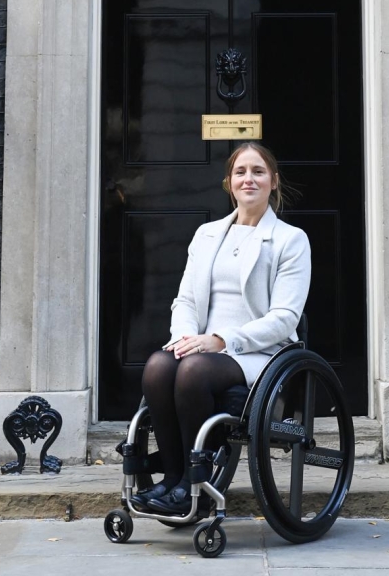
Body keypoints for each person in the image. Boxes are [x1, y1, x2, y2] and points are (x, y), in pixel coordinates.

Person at [133, 142, 311, 517]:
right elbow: (185, 301)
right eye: (241, 172)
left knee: (194, 370)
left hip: (258, 356)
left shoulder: (290, 240)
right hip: (204, 347)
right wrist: (184, 338)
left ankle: (191, 485)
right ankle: (173, 478)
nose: (249, 179)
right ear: (229, 183)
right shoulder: (207, 234)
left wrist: (221, 340)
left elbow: (284, 318)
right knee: (159, 366)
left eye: (258, 172)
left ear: (273, 182)